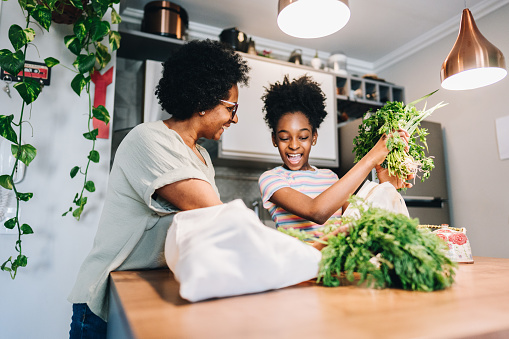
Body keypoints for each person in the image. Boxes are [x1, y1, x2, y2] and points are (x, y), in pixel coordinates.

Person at [68, 39, 250, 338]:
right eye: (231, 107)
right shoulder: (148, 139)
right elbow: (214, 214)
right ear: (204, 103)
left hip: (147, 285)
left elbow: (206, 230)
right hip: (106, 297)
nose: (235, 118)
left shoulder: (201, 157)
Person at [258, 75, 412, 236]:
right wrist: (371, 158)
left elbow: (355, 219)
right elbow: (316, 212)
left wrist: (386, 184)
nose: (294, 145)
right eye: (284, 138)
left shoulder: (330, 177)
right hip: (301, 260)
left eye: (303, 137)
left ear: (314, 137)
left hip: (333, 260)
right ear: (274, 139)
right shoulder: (271, 178)